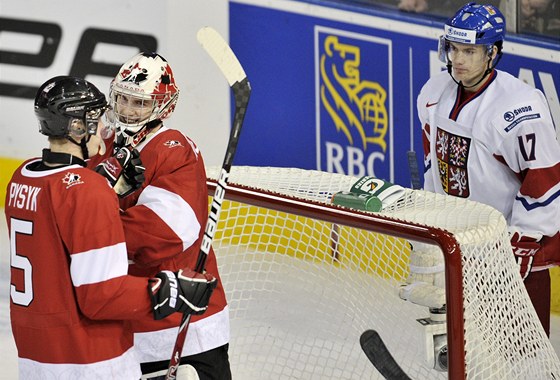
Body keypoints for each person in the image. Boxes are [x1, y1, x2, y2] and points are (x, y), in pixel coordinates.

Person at [5, 75, 217, 379]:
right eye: (96, 117)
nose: (105, 125)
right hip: (90, 359)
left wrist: (106, 188)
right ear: (78, 127)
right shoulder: (88, 191)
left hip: (35, 357)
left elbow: (58, 231)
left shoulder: (20, 179)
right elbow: (101, 297)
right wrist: (167, 291)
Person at [416, 2, 560, 336]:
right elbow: (434, 165)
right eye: (454, 49)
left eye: (470, 50)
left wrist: (525, 240)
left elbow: (545, 182)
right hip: (461, 244)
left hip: (512, 250)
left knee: (522, 354)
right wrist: (429, 216)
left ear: (492, 53)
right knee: (466, 345)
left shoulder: (519, 108)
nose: (458, 60)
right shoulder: (434, 92)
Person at [89, 52, 231, 379]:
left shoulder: (174, 148)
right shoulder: (103, 142)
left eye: (138, 103)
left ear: (162, 105)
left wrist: (91, 233)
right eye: (122, 99)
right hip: (127, 320)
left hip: (184, 322)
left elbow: (164, 233)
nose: (126, 109)